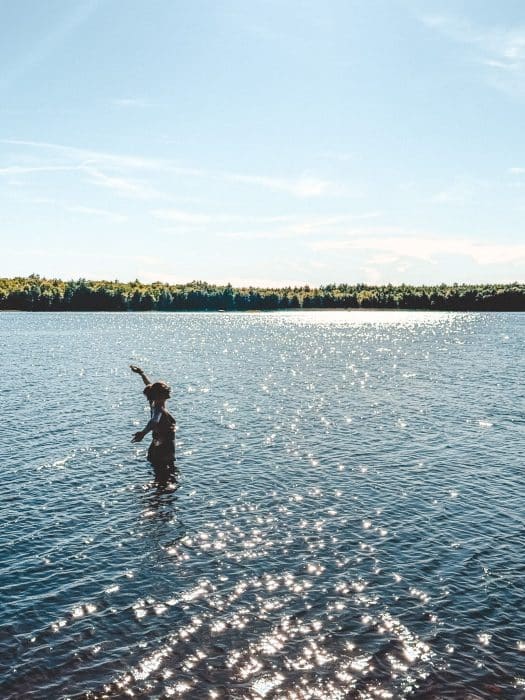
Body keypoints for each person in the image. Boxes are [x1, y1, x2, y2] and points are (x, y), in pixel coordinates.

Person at [130, 365, 176, 484]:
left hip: (157, 442)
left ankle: (157, 492)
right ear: (160, 395)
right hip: (163, 445)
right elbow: (154, 421)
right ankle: (159, 496)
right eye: (166, 390)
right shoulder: (159, 408)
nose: (169, 391)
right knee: (166, 475)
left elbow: (148, 385)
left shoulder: (154, 401)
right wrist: (143, 433)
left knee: (159, 470)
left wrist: (141, 373)